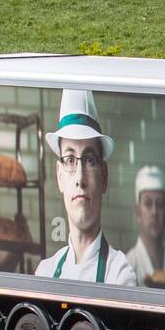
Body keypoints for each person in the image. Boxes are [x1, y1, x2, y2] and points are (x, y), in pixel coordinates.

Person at [35, 89, 136, 286]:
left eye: (89, 160)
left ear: (104, 177)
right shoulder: (45, 273)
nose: (80, 178)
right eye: (70, 160)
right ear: (59, 176)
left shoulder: (119, 274)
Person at [126, 166, 165, 286]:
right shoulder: (128, 267)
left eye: (160, 204)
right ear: (138, 212)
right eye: (148, 204)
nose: (154, 212)